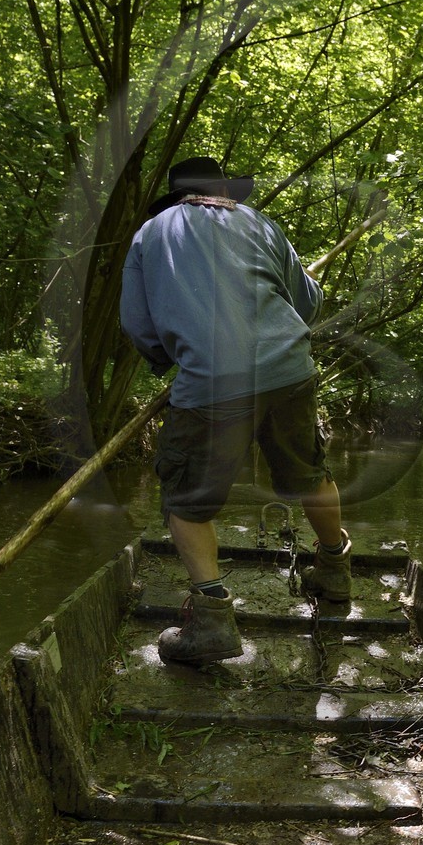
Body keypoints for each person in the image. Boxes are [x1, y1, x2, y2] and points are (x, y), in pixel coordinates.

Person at [120, 155, 351, 666]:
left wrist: (167, 357)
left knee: (187, 502)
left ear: (179, 196)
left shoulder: (150, 234)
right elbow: (308, 304)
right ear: (225, 191)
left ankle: (213, 620)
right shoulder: (259, 223)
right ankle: (334, 572)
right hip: (289, 369)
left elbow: (138, 324)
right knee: (308, 475)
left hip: (210, 382)